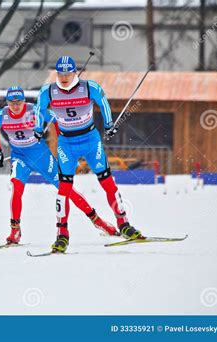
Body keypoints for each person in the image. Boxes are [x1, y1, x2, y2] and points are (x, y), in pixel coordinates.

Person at [34, 56, 142, 253]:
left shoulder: (89, 86)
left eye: (68, 73)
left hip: (91, 141)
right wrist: (37, 128)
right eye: (60, 73)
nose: (64, 77)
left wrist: (109, 124)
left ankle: (124, 224)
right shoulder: (48, 91)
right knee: (64, 189)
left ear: (74, 72)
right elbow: (39, 110)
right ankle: (62, 235)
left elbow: (104, 103)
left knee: (107, 183)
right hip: (66, 144)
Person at [0, 86, 117, 245]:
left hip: (42, 157)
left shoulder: (35, 111)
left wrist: (63, 141)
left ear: (24, 101)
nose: (15, 106)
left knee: (66, 190)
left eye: (19, 102)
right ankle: (15, 230)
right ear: (7, 102)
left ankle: (97, 220)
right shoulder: (1, 115)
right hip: (20, 157)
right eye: (11, 103)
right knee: (16, 188)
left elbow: (56, 119)